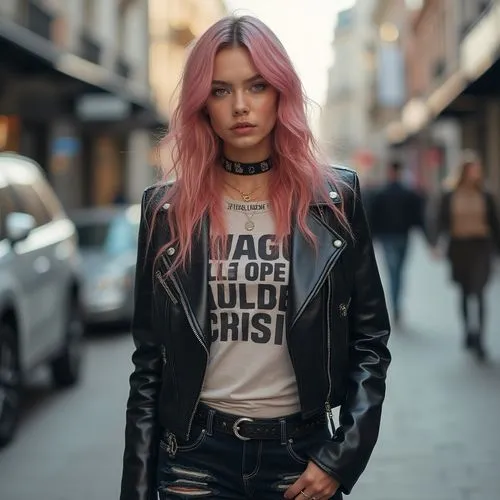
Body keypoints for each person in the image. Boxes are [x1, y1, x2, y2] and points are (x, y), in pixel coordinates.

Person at [120, 15, 391, 500]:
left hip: (300, 458)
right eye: (221, 90)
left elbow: (370, 342)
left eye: (256, 86)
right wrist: (136, 489)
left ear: (280, 92)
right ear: (202, 103)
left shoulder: (333, 201)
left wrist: (341, 456)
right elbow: (148, 366)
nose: (240, 106)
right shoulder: (165, 210)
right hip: (193, 461)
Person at [429, 151, 500, 360]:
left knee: (479, 291)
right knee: (464, 290)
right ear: (463, 172)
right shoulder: (450, 194)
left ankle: (480, 338)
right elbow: (440, 220)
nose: (475, 174)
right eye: (472, 170)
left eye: (477, 170)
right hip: (459, 248)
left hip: (481, 247)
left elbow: (495, 223)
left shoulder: (486, 195)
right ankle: (467, 330)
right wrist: (435, 243)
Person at [368, 161, 424, 324]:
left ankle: (395, 304)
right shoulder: (408, 193)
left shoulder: (380, 193)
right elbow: (418, 218)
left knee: (394, 272)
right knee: (398, 271)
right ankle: (396, 305)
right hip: (402, 237)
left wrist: (371, 239)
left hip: (388, 238)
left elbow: (372, 218)